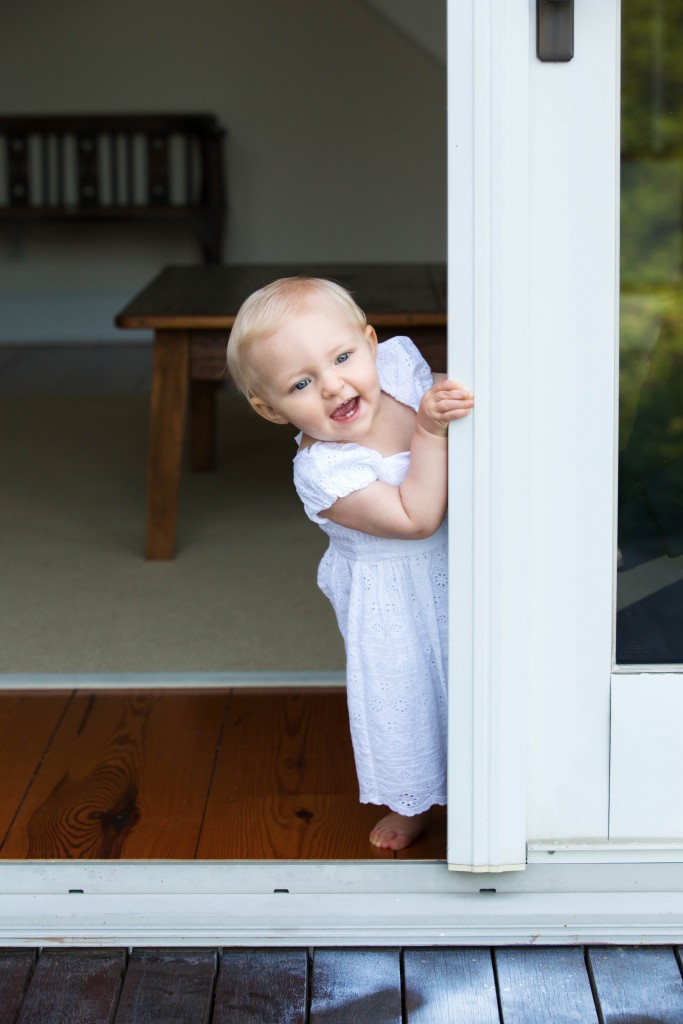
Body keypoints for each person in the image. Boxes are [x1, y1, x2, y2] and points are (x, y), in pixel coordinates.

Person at [227, 277, 473, 850]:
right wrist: (430, 430)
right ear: (270, 410)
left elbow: (449, 393)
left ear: (369, 342)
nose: (334, 385)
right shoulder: (324, 471)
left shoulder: (399, 375)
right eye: (302, 383)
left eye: (342, 357)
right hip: (393, 600)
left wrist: (442, 401)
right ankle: (415, 802)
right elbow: (416, 518)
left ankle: (489, 780)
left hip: (462, 567)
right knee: (411, 696)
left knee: (475, 674)